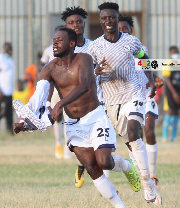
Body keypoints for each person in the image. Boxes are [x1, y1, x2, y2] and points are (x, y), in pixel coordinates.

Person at [13, 27, 141, 208]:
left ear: (71, 44)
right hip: (73, 125)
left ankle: (127, 166)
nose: (55, 43)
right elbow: (38, 101)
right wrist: (24, 124)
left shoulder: (84, 59)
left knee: (105, 162)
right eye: (54, 40)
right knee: (91, 167)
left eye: (59, 40)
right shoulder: (49, 69)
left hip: (95, 118)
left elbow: (84, 86)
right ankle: (121, 206)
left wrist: (59, 104)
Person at [88, 2, 161, 205]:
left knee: (133, 131)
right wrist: (96, 72)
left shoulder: (132, 41)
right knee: (130, 143)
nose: (109, 21)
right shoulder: (95, 47)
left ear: (117, 18)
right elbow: (88, 75)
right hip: (112, 101)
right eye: (104, 18)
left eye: (112, 17)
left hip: (134, 93)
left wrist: (152, 79)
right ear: (100, 21)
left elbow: (144, 58)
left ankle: (148, 183)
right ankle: (143, 176)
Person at [118, 15, 163, 186]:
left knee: (150, 130)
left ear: (131, 30)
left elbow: (148, 68)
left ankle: (152, 174)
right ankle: (139, 169)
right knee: (136, 136)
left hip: (146, 95)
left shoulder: (140, 48)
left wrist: (157, 78)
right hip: (129, 98)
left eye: (126, 29)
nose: (123, 32)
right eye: (120, 29)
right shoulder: (113, 52)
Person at [59, 6, 94, 186]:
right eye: (71, 23)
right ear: (66, 26)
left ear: (84, 24)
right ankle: (81, 165)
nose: (76, 25)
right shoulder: (60, 48)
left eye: (79, 22)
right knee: (80, 145)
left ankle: (105, 188)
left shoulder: (94, 46)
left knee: (100, 146)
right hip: (72, 103)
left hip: (95, 102)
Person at [41, 25, 71, 160]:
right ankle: (59, 144)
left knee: (69, 118)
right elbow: (42, 65)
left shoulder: (139, 47)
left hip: (69, 88)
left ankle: (67, 147)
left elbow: (145, 63)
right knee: (57, 117)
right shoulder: (50, 50)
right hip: (56, 87)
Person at [162, 46, 180, 142]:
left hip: (179, 90)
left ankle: (173, 137)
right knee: (169, 111)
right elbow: (167, 80)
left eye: (177, 52)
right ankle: (165, 136)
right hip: (170, 91)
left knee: (176, 112)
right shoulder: (168, 64)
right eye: (174, 52)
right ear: (170, 53)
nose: (176, 54)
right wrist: (174, 93)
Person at [0, 42, 15, 134]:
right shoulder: (1, 58)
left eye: (10, 48)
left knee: (9, 112)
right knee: (2, 111)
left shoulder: (10, 60)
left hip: (9, 90)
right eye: (7, 48)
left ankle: (10, 131)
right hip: (2, 90)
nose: (9, 50)